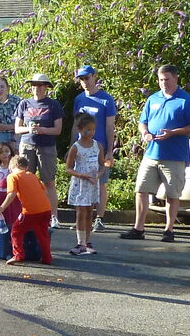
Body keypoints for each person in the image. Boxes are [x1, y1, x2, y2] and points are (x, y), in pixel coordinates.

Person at [121, 65, 190, 243]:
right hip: (151, 154)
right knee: (141, 190)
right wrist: (145, 133)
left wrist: (173, 132)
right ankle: (138, 228)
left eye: (167, 79)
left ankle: (169, 230)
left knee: (172, 194)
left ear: (175, 79)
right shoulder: (153, 99)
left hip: (174, 156)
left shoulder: (185, 100)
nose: (163, 83)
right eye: (161, 80)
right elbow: (143, 122)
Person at [14, 73, 64, 228]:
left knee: (48, 181)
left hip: (46, 147)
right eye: (34, 85)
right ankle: (24, 212)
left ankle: (53, 216)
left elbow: (58, 130)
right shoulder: (24, 104)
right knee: (24, 180)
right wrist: (29, 129)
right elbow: (17, 128)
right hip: (27, 145)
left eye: (41, 85)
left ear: (46, 87)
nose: (37, 88)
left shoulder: (53, 104)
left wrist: (42, 129)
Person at [72, 65, 118, 232]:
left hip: (99, 149)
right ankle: (82, 218)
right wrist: (71, 148)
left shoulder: (106, 99)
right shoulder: (79, 99)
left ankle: (99, 218)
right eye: (81, 79)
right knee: (81, 182)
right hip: (80, 149)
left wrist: (109, 152)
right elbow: (75, 125)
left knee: (100, 183)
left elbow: (109, 127)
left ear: (94, 76)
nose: (85, 82)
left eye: (87, 78)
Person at [0, 155, 52, 265]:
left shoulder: (13, 176)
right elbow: (45, 192)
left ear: (12, 166)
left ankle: (18, 255)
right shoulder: (32, 175)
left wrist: (2, 207)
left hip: (29, 212)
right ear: (26, 167)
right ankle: (47, 258)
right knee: (43, 234)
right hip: (46, 209)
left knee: (16, 231)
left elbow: (11, 194)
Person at [64, 114, 102, 256]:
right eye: (87, 130)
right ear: (79, 130)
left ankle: (88, 241)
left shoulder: (98, 145)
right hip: (80, 183)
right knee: (81, 211)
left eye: (92, 129)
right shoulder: (76, 147)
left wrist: (99, 173)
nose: (90, 132)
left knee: (89, 212)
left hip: (92, 183)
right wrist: (82, 175)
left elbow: (102, 164)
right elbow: (68, 168)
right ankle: (80, 242)